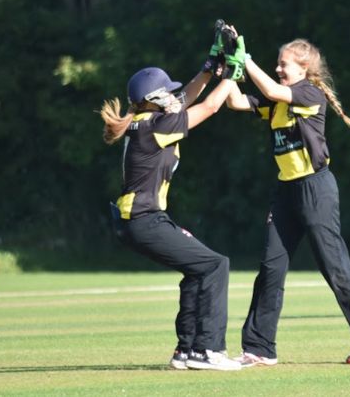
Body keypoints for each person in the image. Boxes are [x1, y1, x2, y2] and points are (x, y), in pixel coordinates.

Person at [223, 32, 350, 365]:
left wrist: (246, 61)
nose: (277, 67)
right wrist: (226, 68)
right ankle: (259, 348)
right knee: (271, 268)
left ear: (302, 67)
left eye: (283, 63)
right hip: (286, 190)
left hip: (315, 188)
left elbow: (271, 89)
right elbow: (235, 101)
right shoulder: (279, 99)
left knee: (334, 267)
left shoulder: (307, 92)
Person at [98, 35, 246, 371]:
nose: (173, 96)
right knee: (215, 265)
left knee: (199, 270)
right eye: (166, 92)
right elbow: (207, 107)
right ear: (154, 99)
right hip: (143, 220)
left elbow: (185, 98)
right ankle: (208, 351)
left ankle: (187, 351)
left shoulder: (147, 121)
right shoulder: (155, 127)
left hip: (141, 220)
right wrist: (233, 74)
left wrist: (209, 70)